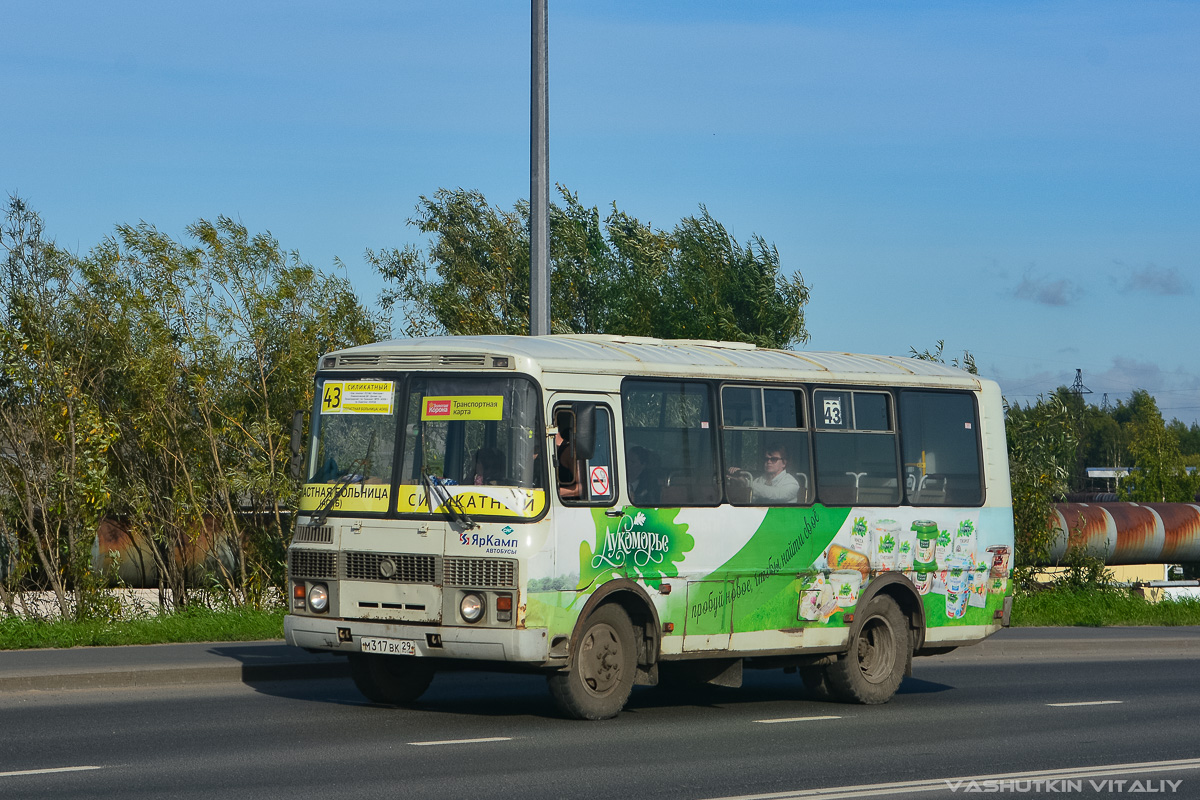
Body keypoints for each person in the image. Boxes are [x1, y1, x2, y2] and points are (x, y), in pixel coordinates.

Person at [730, 443, 799, 504]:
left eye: (773, 459)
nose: (769, 462)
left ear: (784, 463)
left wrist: (746, 482)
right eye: (766, 459)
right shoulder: (759, 480)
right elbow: (748, 499)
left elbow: (774, 494)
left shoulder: (792, 483)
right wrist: (736, 480)